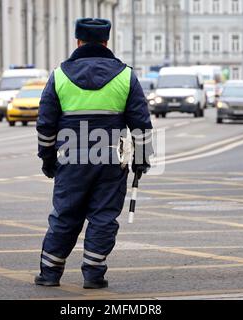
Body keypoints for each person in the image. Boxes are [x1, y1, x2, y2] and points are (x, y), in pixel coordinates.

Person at [35, 18, 153, 289]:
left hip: (70, 159)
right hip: (110, 160)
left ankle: (50, 273)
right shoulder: (125, 76)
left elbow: (45, 125)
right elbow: (141, 124)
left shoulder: (60, 76)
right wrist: (141, 159)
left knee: (65, 214)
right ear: (106, 42)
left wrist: (47, 158)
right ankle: (93, 274)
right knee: (103, 216)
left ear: (78, 41)